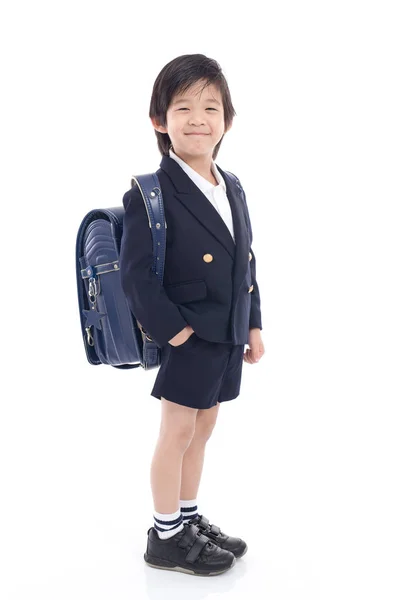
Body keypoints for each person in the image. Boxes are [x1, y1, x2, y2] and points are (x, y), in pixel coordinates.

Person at [119, 53, 265, 576]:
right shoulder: (151, 192)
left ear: (227, 119)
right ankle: (164, 536)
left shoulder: (233, 185)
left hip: (224, 332)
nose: (198, 118)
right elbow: (135, 275)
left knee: (203, 429)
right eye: (182, 107)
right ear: (159, 120)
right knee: (177, 432)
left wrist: (253, 322)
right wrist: (173, 332)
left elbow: (245, 258)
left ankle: (186, 516)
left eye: (211, 106)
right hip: (188, 334)